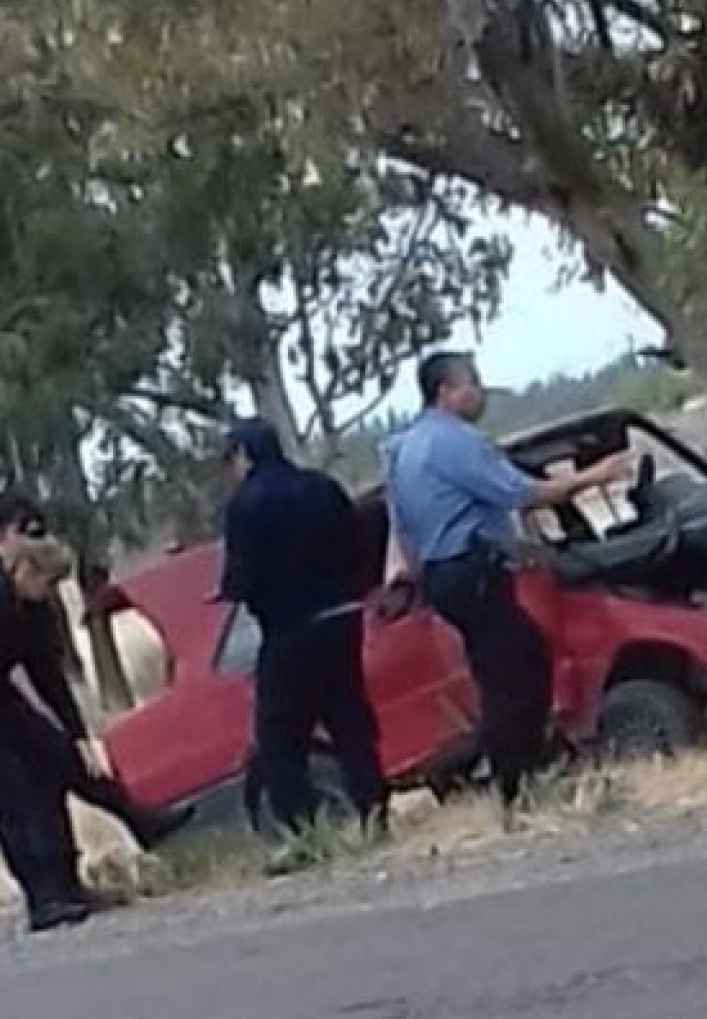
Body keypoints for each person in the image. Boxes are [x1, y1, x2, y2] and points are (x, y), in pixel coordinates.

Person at [0, 483, 187, 932]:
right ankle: (44, 900)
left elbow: (48, 677)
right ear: (21, 569)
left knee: (59, 761)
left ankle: (115, 845)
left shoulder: (35, 610)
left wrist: (79, 737)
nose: (50, 591)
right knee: (17, 798)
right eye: (46, 582)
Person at [382, 352, 632, 815]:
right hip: (471, 569)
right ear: (446, 392)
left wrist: (408, 573)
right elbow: (520, 493)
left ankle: (521, 770)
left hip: (442, 575)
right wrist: (594, 476)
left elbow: (402, 523)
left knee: (505, 664)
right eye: (472, 383)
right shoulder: (454, 442)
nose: (480, 392)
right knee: (515, 670)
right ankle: (517, 780)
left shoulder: (402, 448)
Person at [216, 418, 388, 840]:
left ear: (243, 454)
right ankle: (375, 814)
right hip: (342, 619)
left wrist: (231, 591)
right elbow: (360, 540)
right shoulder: (322, 487)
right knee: (349, 721)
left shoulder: (246, 505)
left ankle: (304, 831)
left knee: (279, 740)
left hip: (289, 630)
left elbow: (240, 579)